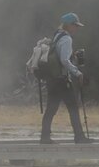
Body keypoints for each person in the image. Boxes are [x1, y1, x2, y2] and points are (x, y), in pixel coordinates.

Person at [40, 13, 94, 144]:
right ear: (68, 25)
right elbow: (64, 60)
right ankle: (79, 137)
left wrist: (72, 56)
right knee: (73, 107)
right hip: (61, 80)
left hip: (53, 79)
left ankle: (45, 137)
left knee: (51, 109)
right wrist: (78, 73)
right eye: (75, 25)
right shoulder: (67, 39)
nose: (76, 28)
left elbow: (60, 57)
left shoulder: (58, 35)